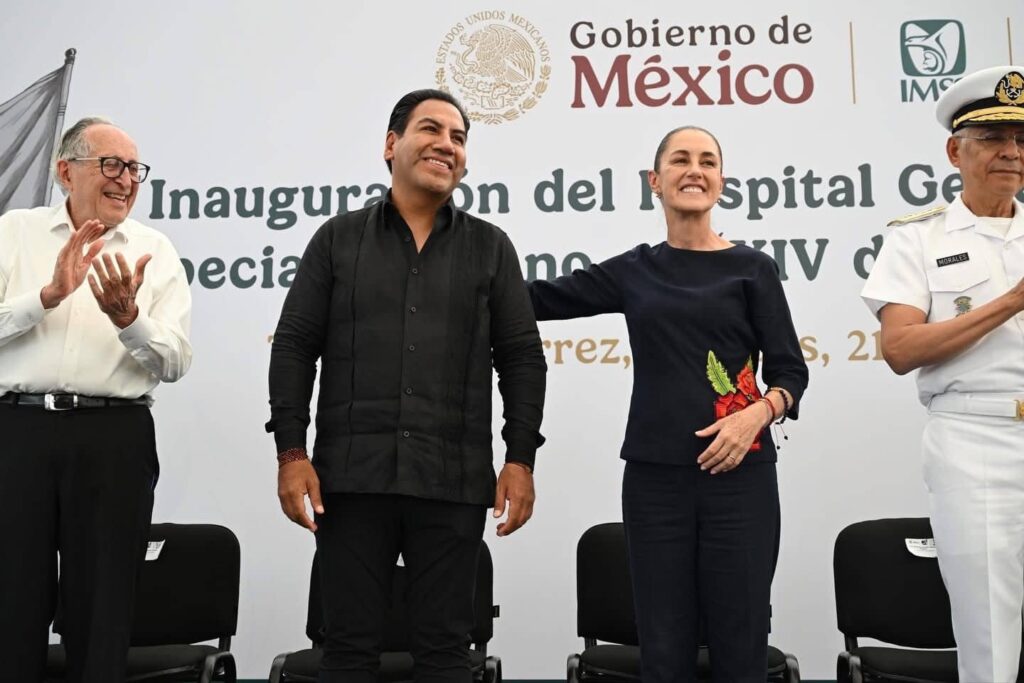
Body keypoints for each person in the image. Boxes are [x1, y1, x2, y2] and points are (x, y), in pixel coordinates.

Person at [266, 89, 545, 682]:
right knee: (345, 655)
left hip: (452, 482)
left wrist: (520, 460)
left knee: (447, 657)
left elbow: (522, 358)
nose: (447, 143)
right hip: (351, 481)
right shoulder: (338, 240)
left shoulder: (490, 248)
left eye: (460, 136)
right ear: (392, 145)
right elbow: (294, 346)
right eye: (431, 129)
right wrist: (291, 452)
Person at [528, 125, 808, 682]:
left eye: (707, 161)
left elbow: (790, 371)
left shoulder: (752, 268)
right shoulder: (636, 269)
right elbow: (538, 299)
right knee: (662, 645)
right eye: (680, 160)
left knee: (741, 638)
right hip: (656, 482)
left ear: (721, 182)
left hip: (742, 478)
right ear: (655, 181)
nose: (694, 170)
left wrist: (760, 410)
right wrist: (461, 275)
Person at [0, 117, 192, 682]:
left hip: (115, 438)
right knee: (11, 601)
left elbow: (176, 361)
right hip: (17, 433)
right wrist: (46, 296)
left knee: (102, 607)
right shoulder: (13, 234)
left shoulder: (154, 251)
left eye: (135, 169)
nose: (126, 180)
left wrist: (130, 321)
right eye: (111, 165)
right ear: (66, 171)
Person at [862, 65, 1024, 683]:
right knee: (988, 625)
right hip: (975, 441)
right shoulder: (919, 240)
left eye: (1020, 139)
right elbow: (900, 348)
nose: (1010, 152)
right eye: (992, 138)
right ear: (956, 150)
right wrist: (1010, 301)